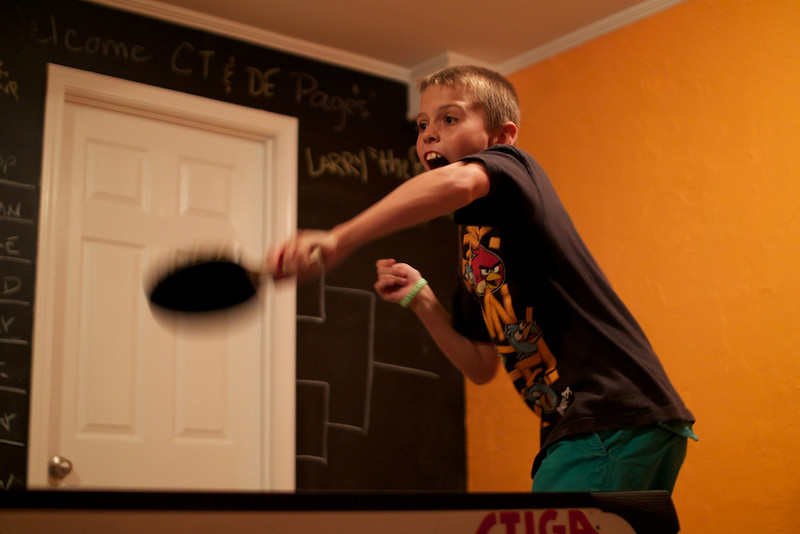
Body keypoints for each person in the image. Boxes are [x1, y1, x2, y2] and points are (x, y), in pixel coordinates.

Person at [266, 65, 696, 493]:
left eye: (449, 119)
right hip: (600, 423)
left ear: (502, 136)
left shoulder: (512, 166)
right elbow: (479, 365)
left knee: (545, 522)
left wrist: (339, 239)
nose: (429, 135)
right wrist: (420, 298)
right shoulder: (476, 250)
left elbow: (460, 181)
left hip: (609, 416)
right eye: (422, 124)